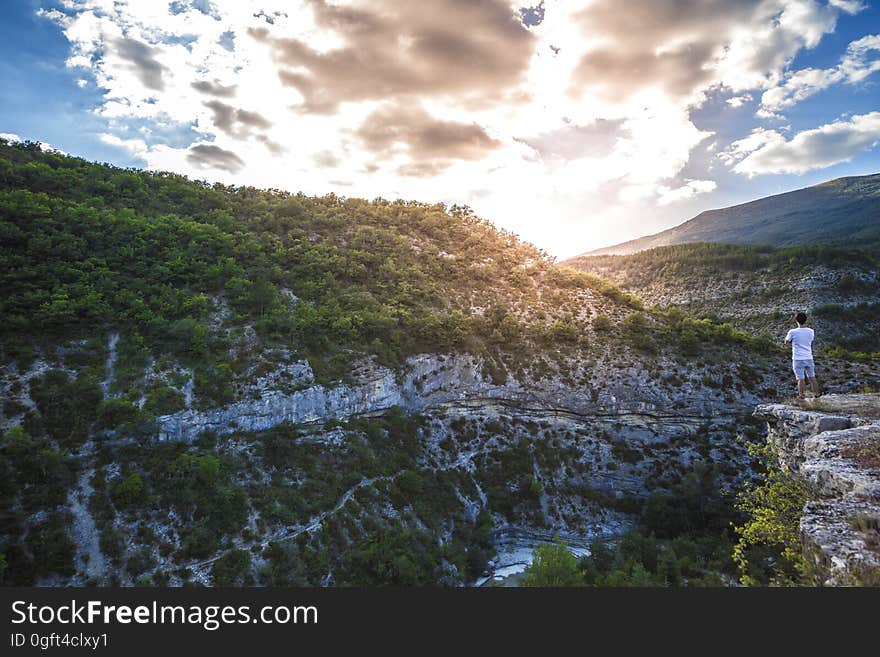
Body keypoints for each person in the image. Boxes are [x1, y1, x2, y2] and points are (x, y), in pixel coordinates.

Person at [784, 312, 820, 399]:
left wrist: (791, 346)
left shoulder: (792, 332)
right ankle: (817, 395)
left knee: (800, 379)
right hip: (809, 357)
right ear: (806, 320)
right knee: (812, 377)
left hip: (798, 358)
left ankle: (802, 397)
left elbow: (786, 342)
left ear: (796, 320)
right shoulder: (811, 331)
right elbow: (810, 341)